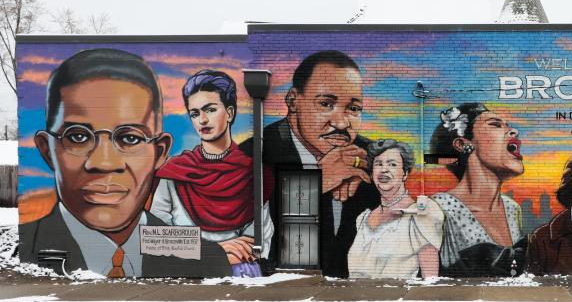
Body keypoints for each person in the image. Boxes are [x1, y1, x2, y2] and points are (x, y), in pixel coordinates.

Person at [20, 48, 231, 278]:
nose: (104, 162)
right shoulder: (23, 257)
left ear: (159, 153)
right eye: (78, 137)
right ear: (47, 149)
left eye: (130, 138)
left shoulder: (206, 262)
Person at [240, 50, 378, 277]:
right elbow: (249, 230)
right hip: (285, 282)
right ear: (293, 101)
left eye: (353, 109)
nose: (342, 122)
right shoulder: (253, 155)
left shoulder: (370, 158)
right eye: (326, 104)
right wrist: (315, 181)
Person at [151, 70, 274, 277]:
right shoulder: (175, 173)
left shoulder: (251, 173)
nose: (203, 120)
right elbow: (156, 238)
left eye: (210, 109)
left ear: (230, 113)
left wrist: (190, 247)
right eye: (195, 113)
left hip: (241, 274)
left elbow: (259, 238)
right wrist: (216, 251)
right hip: (183, 276)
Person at [429, 103, 526, 276]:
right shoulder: (438, 210)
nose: (514, 132)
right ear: (462, 144)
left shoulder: (512, 209)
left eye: (508, 126)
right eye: (495, 124)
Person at [347, 139, 443, 278]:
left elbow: (430, 280)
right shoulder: (363, 218)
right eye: (378, 164)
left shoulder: (419, 217)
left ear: (404, 174)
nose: (384, 169)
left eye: (392, 164)